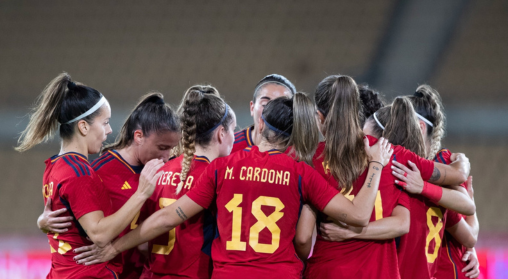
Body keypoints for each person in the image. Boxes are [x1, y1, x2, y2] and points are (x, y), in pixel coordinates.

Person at [76, 93, 394, 279]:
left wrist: (114, 247)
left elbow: (166, 217)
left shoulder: (223, 169)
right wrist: (376, 163)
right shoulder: (301, 174)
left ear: (259, 125)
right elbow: (356, 215)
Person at [17, 73, 163, 278]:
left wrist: (42, 222)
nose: (109, 130)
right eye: (105, 122)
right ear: (83, 126)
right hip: (87, 273)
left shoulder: (54, 165)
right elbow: (100, 234)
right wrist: (141, 193)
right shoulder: (79, 173)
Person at [38, 92, 180, 279]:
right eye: (162, 148)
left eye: (172, 148)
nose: (168, 155)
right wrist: (43, 221)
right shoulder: (95, 172)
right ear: (138, 136)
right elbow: (80, 220)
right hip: (103, 271)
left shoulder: (173, 169)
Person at [300, 75, 410, 279]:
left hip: (329, 270)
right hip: (380, 272)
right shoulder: (387, 152)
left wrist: (350, 232)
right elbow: (402, 223)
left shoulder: (312, 160)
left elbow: (303, 237)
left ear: (320, 116)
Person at [139, 85, 235, 279]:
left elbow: (142, 244)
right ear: (221, 133)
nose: (235, 136)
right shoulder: (216, 177)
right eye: (233, 129)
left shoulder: (158, 171)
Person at [389, 85, 480, 278]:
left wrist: (423, 187)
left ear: (420, 127)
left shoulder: (441, 165)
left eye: (399, 123)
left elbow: (469, 233)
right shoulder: (401, 165)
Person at [232, 74, 295, 153]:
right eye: (265, 104)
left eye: (281, 107)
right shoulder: (228, 145)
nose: (272, 112)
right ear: (252, 108)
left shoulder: (299, 152)